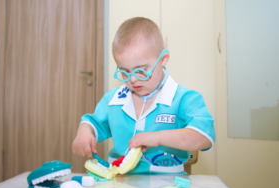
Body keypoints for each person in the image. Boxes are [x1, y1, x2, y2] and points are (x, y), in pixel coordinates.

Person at [72, 17, 215, 174]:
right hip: (119, 182)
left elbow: (205, 136)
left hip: (167, 186)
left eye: (141, 70)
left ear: (163, 60)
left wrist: (158, 137)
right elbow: (92, 123)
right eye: (124, 72)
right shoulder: (114, 99)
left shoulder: (184, 99)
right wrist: (84, 132)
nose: (132, 79)